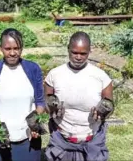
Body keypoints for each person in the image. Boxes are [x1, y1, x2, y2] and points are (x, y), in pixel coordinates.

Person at [44, 31, 113, 161]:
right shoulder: (55, 75)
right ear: (68, 50)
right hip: (62, 140)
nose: (78, 57)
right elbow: (47, 101)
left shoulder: (101, 77)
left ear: (89, 52)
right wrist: (52, 108)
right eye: (74, 52)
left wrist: (103, 112)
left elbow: (110, 105)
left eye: (83, 53)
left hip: (91, 141)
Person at [0, 28, 45, 161]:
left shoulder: (33, 69)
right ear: (1, 48)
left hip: (28, 140)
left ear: (22, 48)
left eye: (17, 48)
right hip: (0, 140)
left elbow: (40, 102)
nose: (12, 53)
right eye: (7, 49)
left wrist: (34, 123)